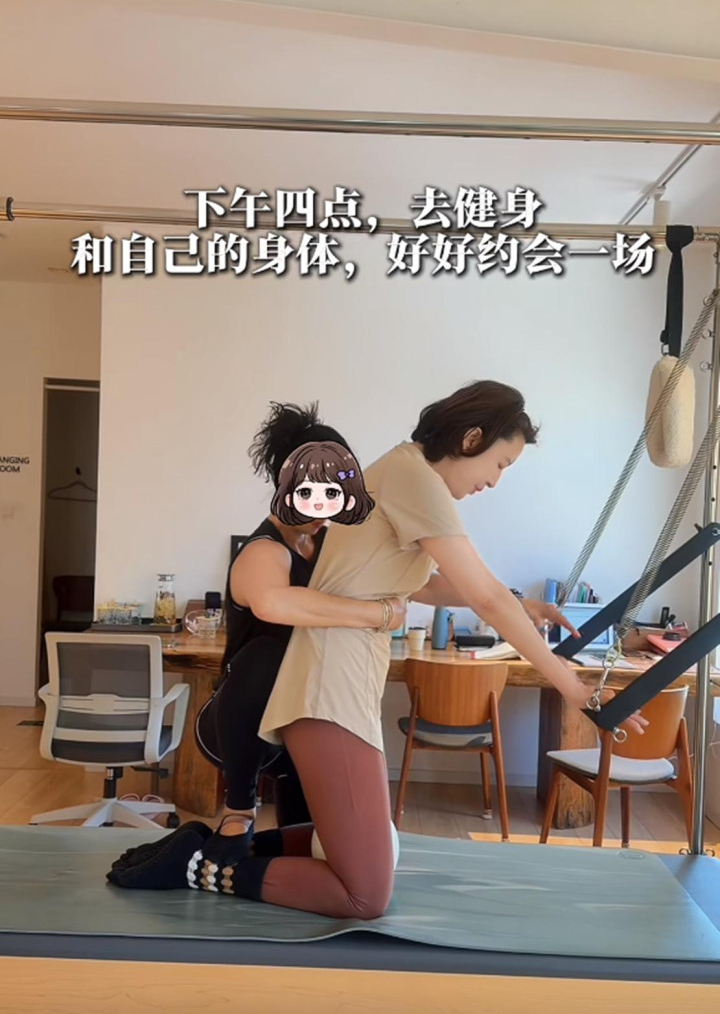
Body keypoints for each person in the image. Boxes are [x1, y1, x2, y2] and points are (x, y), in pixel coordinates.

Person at [178, 380, 647, 917]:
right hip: (329, 685)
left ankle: (211, 851)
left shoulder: (403, 477)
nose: (496, 480)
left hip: (342, 682)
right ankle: (198, 867)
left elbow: (429, 585)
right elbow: (485, 597)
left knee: (367, 854)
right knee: (365, 894)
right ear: (471, 438)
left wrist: (524, 606)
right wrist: (572, 686)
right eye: (500, 464)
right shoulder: (412, 477)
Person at [108, 403, 405, 889]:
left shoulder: (329, 547)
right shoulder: (262, 552)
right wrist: (381, 614)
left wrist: (500, 601)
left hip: (303, 719)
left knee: (328, 851)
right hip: (243, 726)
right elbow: (272, 603)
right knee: (267, 655)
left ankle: (198, 851)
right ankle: (236, 814)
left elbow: (401, 573)